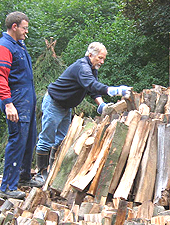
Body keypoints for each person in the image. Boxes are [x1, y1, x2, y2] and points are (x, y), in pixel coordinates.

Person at [35, 42, 130, 182]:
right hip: (54, 103)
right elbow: (92, 84)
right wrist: (112, 90)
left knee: (61, 140)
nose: (102, 62)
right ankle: (41, 174)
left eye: (103, 59)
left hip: (66, 106)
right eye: (100, 58)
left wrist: (101, 104)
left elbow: (92, 89)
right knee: (47, 139)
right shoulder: (82, 67)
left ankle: (53, 172)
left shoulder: (92, 69)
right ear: (90, 55)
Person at [0, 11, 43, 200]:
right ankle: (7, 187)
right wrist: (8, 104)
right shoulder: (4, 47)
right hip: (16, 101)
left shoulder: (18, 45)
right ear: (15, 27)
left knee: (29, 139)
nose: (26, 32)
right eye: (24, 28)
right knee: (17, 141)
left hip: (26, 100)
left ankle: (23, 177)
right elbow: (0, 78)